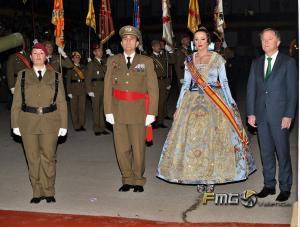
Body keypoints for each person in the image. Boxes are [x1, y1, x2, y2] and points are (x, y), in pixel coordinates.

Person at [157, 27, 256, 193]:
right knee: (194, 140)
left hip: (214, 101)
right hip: (192, 101)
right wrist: (178, 107)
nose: (199, 42)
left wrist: (231, 103)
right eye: (196, 39)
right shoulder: (189, 59)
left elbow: (223, 82)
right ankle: (199, 177)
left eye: (202, 39)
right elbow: (186, 85)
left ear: (207, 41)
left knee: (214, 140)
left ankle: (212, 177)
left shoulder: (216, 58)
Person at [104, 25, 159, 192]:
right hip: (118, 111)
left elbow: (153, 89)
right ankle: (127, 179)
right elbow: (107, 87)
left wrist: (151, 113)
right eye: (125, 39)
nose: (128, 42)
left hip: (138, 111)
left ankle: (138, 180)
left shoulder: (146, 62)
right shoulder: (113, 61)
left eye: (132, 39)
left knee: (138, 148)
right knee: (122, 149)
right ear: (121, 43)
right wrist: (108, 111)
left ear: (137, 43)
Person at [11, 43, 68, 203]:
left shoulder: (56, 76)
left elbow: (62, 102)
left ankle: (49, 190)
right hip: (27, 122)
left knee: (48, 157)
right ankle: (37, 191)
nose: (37, 56)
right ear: (30, 57)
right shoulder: (22, 75)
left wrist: (63, 124)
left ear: (46, 56)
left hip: (50, 122)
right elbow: (16, 102)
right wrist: (15, 124)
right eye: (34, 53)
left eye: (40, 53)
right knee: (32, 158)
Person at [246, 28, 297, 202]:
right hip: (261, 116)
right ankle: (269, 185)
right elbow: (251, 89)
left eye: (269, 39)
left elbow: (292, 92)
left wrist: (289, 114)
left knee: (282, 153)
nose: (266, 42)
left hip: (280, 116)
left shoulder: (288, 62)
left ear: (278, 42)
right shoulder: (256, 63)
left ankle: (285, 187)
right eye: (263, 40)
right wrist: (251, 113)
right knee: (266, 152)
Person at [149, 40, 175, 128]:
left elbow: (173, 61)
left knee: (162, 102)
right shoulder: (150, 58)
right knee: (155, 103)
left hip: (164, 82)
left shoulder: (164, 56)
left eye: (159, 46)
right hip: (155, 82)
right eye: (156, 46)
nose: (159, 47)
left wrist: (170, 51)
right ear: (153, 47)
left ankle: (160, 121)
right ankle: (154, 121)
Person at [86, 44, 110, 136]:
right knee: (96, 109)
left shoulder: (104, 62)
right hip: (95, 88)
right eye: (99, 51)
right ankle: (96, 128)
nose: (101, 52)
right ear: (94, 52)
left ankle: (102, 127)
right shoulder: (91, 63)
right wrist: (89, 90)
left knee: (103, 109)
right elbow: (88, 78)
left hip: (104, 87)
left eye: (101, 50)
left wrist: (110, 56)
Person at [66, 51, 86, 131]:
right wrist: (69, 92)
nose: (77, 59)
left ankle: (82, 125)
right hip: (73, 90)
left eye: (78, 57)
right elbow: (68, 81)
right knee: (74, 109)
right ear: (72, 59)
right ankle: (76, 125)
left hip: (82, 90)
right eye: (75, 58)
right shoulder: (70, 68)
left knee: (82, 108)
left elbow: (86, 78)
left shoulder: (83, 67)